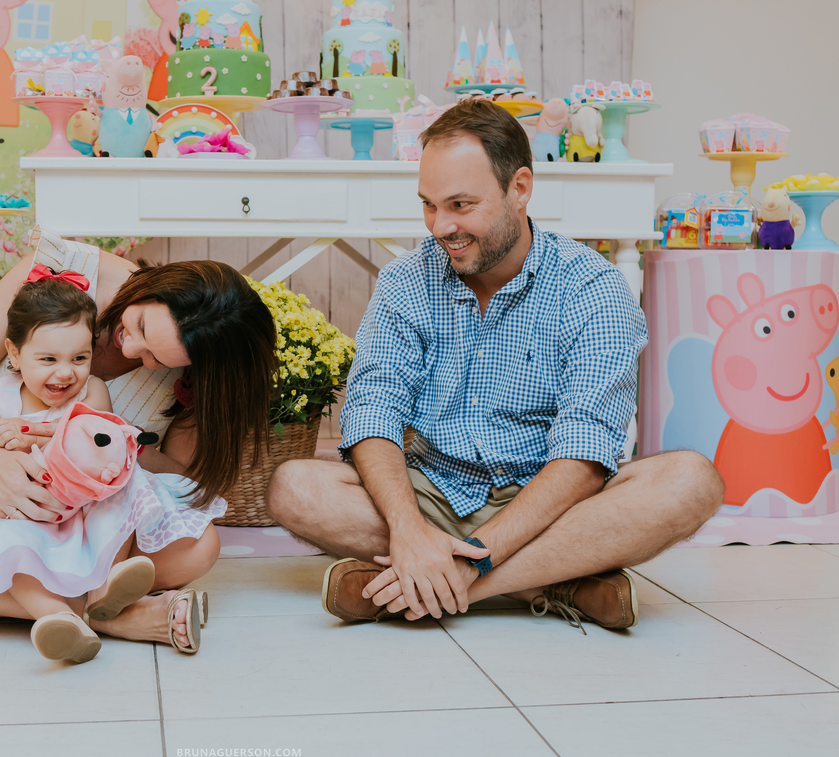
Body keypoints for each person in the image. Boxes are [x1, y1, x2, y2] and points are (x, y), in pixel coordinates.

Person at [266, 99, 724, 633]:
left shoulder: (592, 288)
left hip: (552, 504)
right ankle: (556, 584)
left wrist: (474, 563)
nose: (442, 226)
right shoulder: (405, 281)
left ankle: (431, 588)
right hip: (431, 491)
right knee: (295, 487)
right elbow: (373, 411)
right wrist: (408, 528)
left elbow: (584, 454)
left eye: (461, 204)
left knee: (690, 480)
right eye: (429, 205)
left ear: (520, 188)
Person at [0, 228, 277, 653]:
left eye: (156, 359)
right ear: (153, 285)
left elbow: (178, 479)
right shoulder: (60, 272)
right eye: (138, 324)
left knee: (200, 546)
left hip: (93, 518)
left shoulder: (199, 372)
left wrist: (113, 454)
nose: (130, 350)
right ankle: (105, 614)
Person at [0, 268, 225, 661]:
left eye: (80, 358)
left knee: (126, 491)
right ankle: (57, 617)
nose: (65, 372)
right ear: (14, 353)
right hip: (26, 513)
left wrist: (33, 435)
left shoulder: (92, 391)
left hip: (86, 509)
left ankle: (105, 589)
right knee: (11, 548)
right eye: (48, 359)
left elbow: (94, 439)